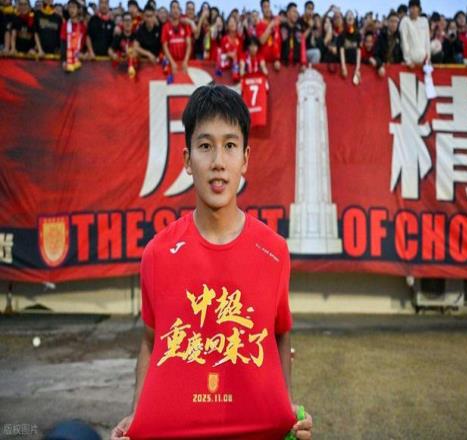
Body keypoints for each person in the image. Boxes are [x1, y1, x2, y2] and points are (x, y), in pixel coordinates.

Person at [110, 84, 313, 440]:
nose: (218, 162)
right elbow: (151, 341)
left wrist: (285, 411)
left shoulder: (273, 252)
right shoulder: (157, 254)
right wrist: (137, 416)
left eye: (230, 146)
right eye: (205, 146)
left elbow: (279, 334)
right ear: (187, 160)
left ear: (245, 159)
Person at [161, 0, 192, 75]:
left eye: (177, 8)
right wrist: (172, 62)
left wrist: (185, 61)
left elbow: (189, 44)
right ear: (170, 11)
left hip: (184, 63)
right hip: (172, 64)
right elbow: (165, 46)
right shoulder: (165, 27)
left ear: (180, 10)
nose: (176, 10)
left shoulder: (185, 26)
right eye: (173, 7)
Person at [399, 0, 430, 67]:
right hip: (410, 64)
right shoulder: (405, 21)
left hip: (423, 63)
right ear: (409, 9)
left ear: (419, 9)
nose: (413, 10)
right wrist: (408, 60)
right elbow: (404, 41)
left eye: (415, 7)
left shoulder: (424, 21)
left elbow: (427, 41)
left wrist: (428, 59)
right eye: (411, 8)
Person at [373, 10, 403, 77]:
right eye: (392, 21)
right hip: (383, 70)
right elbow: (376, 54)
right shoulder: (381, 36)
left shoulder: (400, 37)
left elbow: (402, 54)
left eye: (396, 22)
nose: (394, 24)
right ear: (387, 22)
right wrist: (379, 65)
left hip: (396, 71)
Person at [108, 11, 137, 77]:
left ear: (132, 22)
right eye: (125, 20)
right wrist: (113, 55)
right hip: (120, 71)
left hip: (135, 69)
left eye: (129, 20)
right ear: (122, 23)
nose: (127, 23)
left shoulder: (137, 36)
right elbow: (110, 50)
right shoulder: (118, 36)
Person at [60, 0, 86, 72]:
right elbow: (63, 44)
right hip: (68, 63)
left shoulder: (83, 26)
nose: (71, 10)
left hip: (80, 62)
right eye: (70, 7)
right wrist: (63, 61)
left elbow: (84, 43)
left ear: (78, 10)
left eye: (74, 7)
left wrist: (84, 54)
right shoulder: (65, 25)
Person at [255, 0, 281, 71]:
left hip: (276, 62)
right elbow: (262, 41)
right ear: (262, 9)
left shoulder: (276, 22)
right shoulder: (259, 25)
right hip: (264, 63)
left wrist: (277, 59)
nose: (267, 9)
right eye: (265, 7)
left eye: (268, 6)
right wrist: (270, 26)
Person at [338, 9, 361, 85]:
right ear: (345, 19)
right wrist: (343, 67)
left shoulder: (358, 34)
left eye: (352, 15)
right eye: (348, 15)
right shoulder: (342, 34)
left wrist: (357, 69)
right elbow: (341, 51)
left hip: (354, 63)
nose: (350, 16)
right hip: (346, 63)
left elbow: (359, 52)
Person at [280, 2, 303, 66]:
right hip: (283, 64)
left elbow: (302, 46)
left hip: (296, 65)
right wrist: (276, 59)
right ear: (288, 13)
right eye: (294, 12)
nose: (296, 14)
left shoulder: (299, 30)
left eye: (296, 12)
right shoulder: (281, 27)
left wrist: (303, 62)